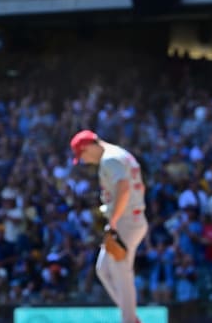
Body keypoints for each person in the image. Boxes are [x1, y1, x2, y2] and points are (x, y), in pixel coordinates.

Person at [70, 130, 148, 323]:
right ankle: (131, 317)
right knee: (104, 269)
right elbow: (141, 187)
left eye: (83, 155)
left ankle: (129, 320)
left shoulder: (109, 159)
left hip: (125, 221)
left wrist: (114, 221)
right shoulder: (121, 153)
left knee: (121, 272)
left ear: (88, 146)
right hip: (131, 217)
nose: (85, 161)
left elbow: (123, 187)